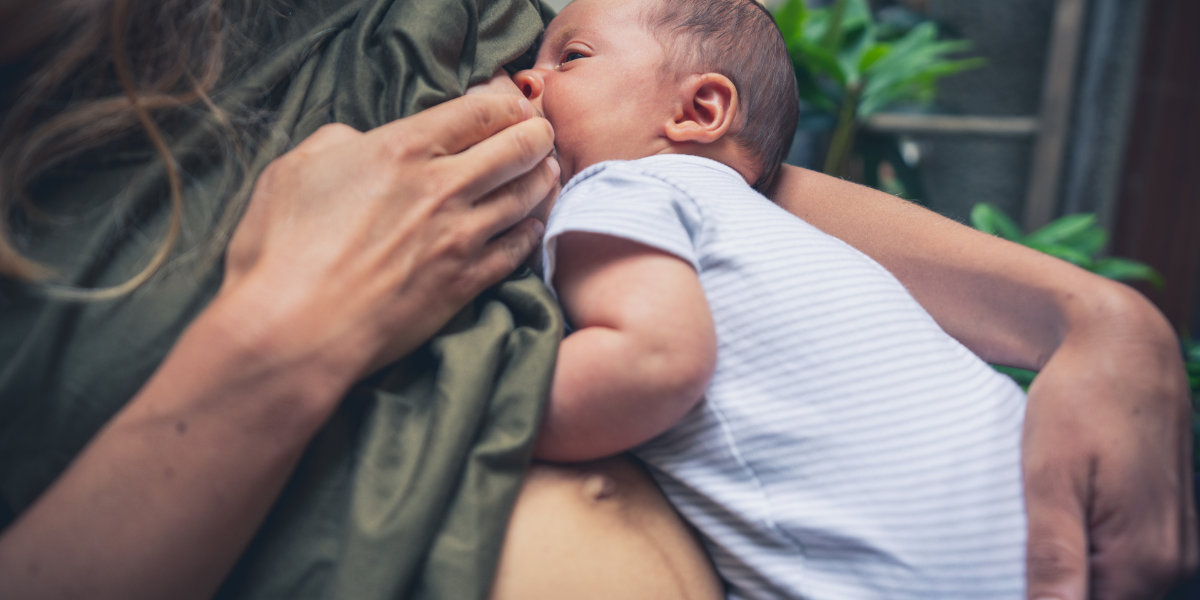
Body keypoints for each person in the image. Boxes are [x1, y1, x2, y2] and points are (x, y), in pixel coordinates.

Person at [0, 1, 1192, 599]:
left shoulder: (619, 159)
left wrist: (1089, 316)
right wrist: (292, 337)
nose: (528, 82)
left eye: (559, 59)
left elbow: (722, 178)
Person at [519, 0, 1025, 597]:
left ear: (699, 109)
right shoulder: (787, 233)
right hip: (1024, 512)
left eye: (570, 58)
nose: (526, 78)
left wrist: (468, 402)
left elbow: (652, 361)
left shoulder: (621, 184)